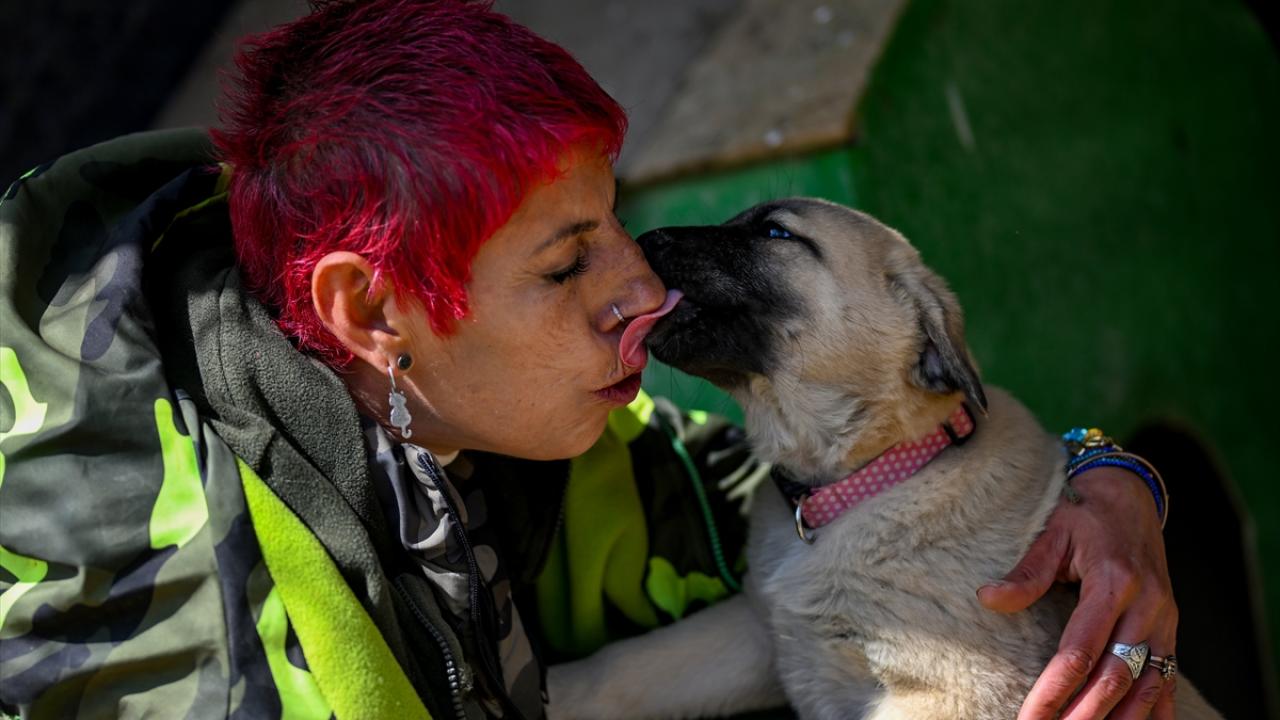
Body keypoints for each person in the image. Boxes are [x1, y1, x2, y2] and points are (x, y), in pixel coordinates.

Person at [0, 1, 1178, 718]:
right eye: (567, 265)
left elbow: (806, 507)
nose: (641, 286)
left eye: (614, 221)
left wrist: (1102, 477)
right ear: (368, 312)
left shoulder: (479, 407)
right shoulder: (205, 664)